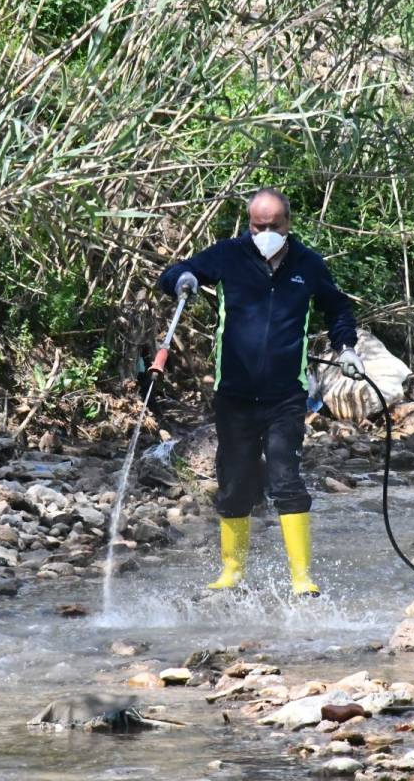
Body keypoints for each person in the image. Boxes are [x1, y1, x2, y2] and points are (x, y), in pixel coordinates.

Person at [158, 188, 364, 596]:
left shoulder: (308, 264)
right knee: (234, 484)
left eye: (273, 226)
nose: (265, 233)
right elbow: (177, 273)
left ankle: (302, 578)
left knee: (286, 480)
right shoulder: (229, 255)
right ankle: (232, 572)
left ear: (288, 224)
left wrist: (348, 348)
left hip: (286, 396)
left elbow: (338, 308)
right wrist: (181, 279)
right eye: (257, 226)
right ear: (248, 224)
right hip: (233, 394)